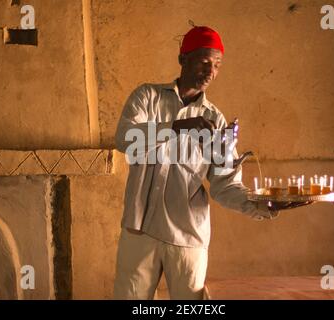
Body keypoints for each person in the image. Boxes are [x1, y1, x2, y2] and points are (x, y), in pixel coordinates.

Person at [113, 25, 280, 300]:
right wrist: (178, 126)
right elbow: (125, 139)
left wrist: (259, 205)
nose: (210, 71)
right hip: (139, 231)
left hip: (187, 235)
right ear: (183, 59)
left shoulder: (216, 120)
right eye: (204, 62)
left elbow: (224, 185)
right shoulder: (147, 97)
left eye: (217, 65)